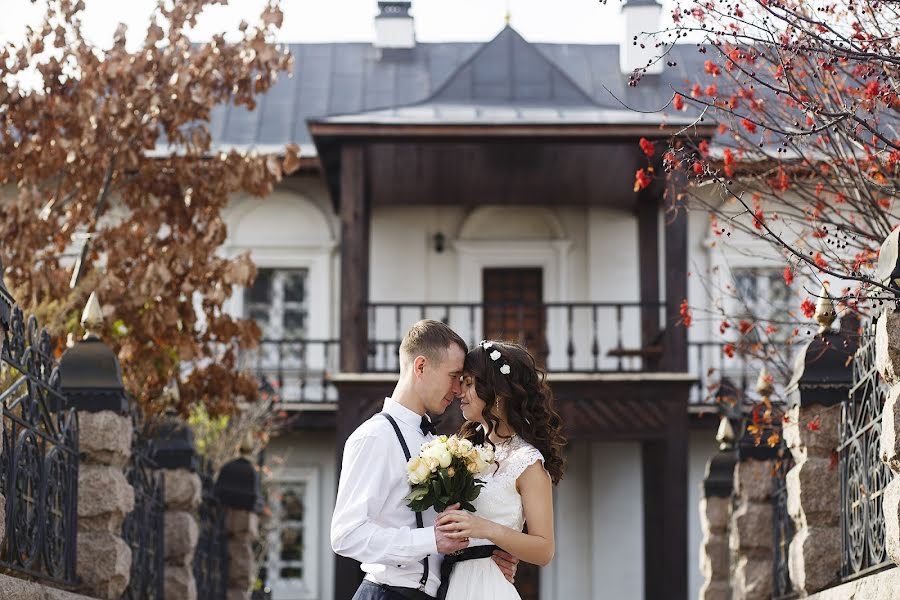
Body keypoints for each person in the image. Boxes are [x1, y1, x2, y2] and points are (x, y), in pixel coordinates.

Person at [331, 320, 519, 600]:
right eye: (453, 375)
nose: (457, 389)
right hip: (387, 593)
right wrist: (429, 540)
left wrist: (487, 559)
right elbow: (346, 535)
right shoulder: (374, 437)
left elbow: (449, 530)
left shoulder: (435, 444)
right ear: (420, 367)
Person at [435, 341, 566, 600]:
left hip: (487, 587)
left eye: (469, 383)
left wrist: (485, 529)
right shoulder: (462, 451)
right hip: (449, 583)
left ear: (497, 393)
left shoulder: (526, 462)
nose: (460, 391)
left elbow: (544, 549)